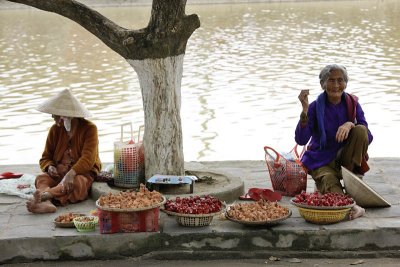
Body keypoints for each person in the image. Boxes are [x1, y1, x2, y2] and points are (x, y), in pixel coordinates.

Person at [295, 64, 373, 220]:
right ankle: (353, 206)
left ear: (345, 83)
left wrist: (351, 124)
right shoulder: (315, 107)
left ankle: (352, 178)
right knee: (331, 184)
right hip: (321, 160)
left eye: (340, 80)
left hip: (345, 158)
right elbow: (301, 139)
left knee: (360, 130)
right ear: (323, 84)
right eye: (331, 80)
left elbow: (367, 137)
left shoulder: (353, 103)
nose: (336, 85)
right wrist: (304, 111)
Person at [26, 89, 102, 213]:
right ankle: (47, 203)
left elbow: (88, 160)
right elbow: (45, 157)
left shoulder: (90, 129)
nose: (53, 119)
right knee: (41, 178)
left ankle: (45, 197)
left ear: (67, 117)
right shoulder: (55, 130)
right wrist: (50, 167)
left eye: (56, 116)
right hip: (59, 174)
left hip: (79, 174)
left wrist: (71, 174)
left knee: (78, 183)